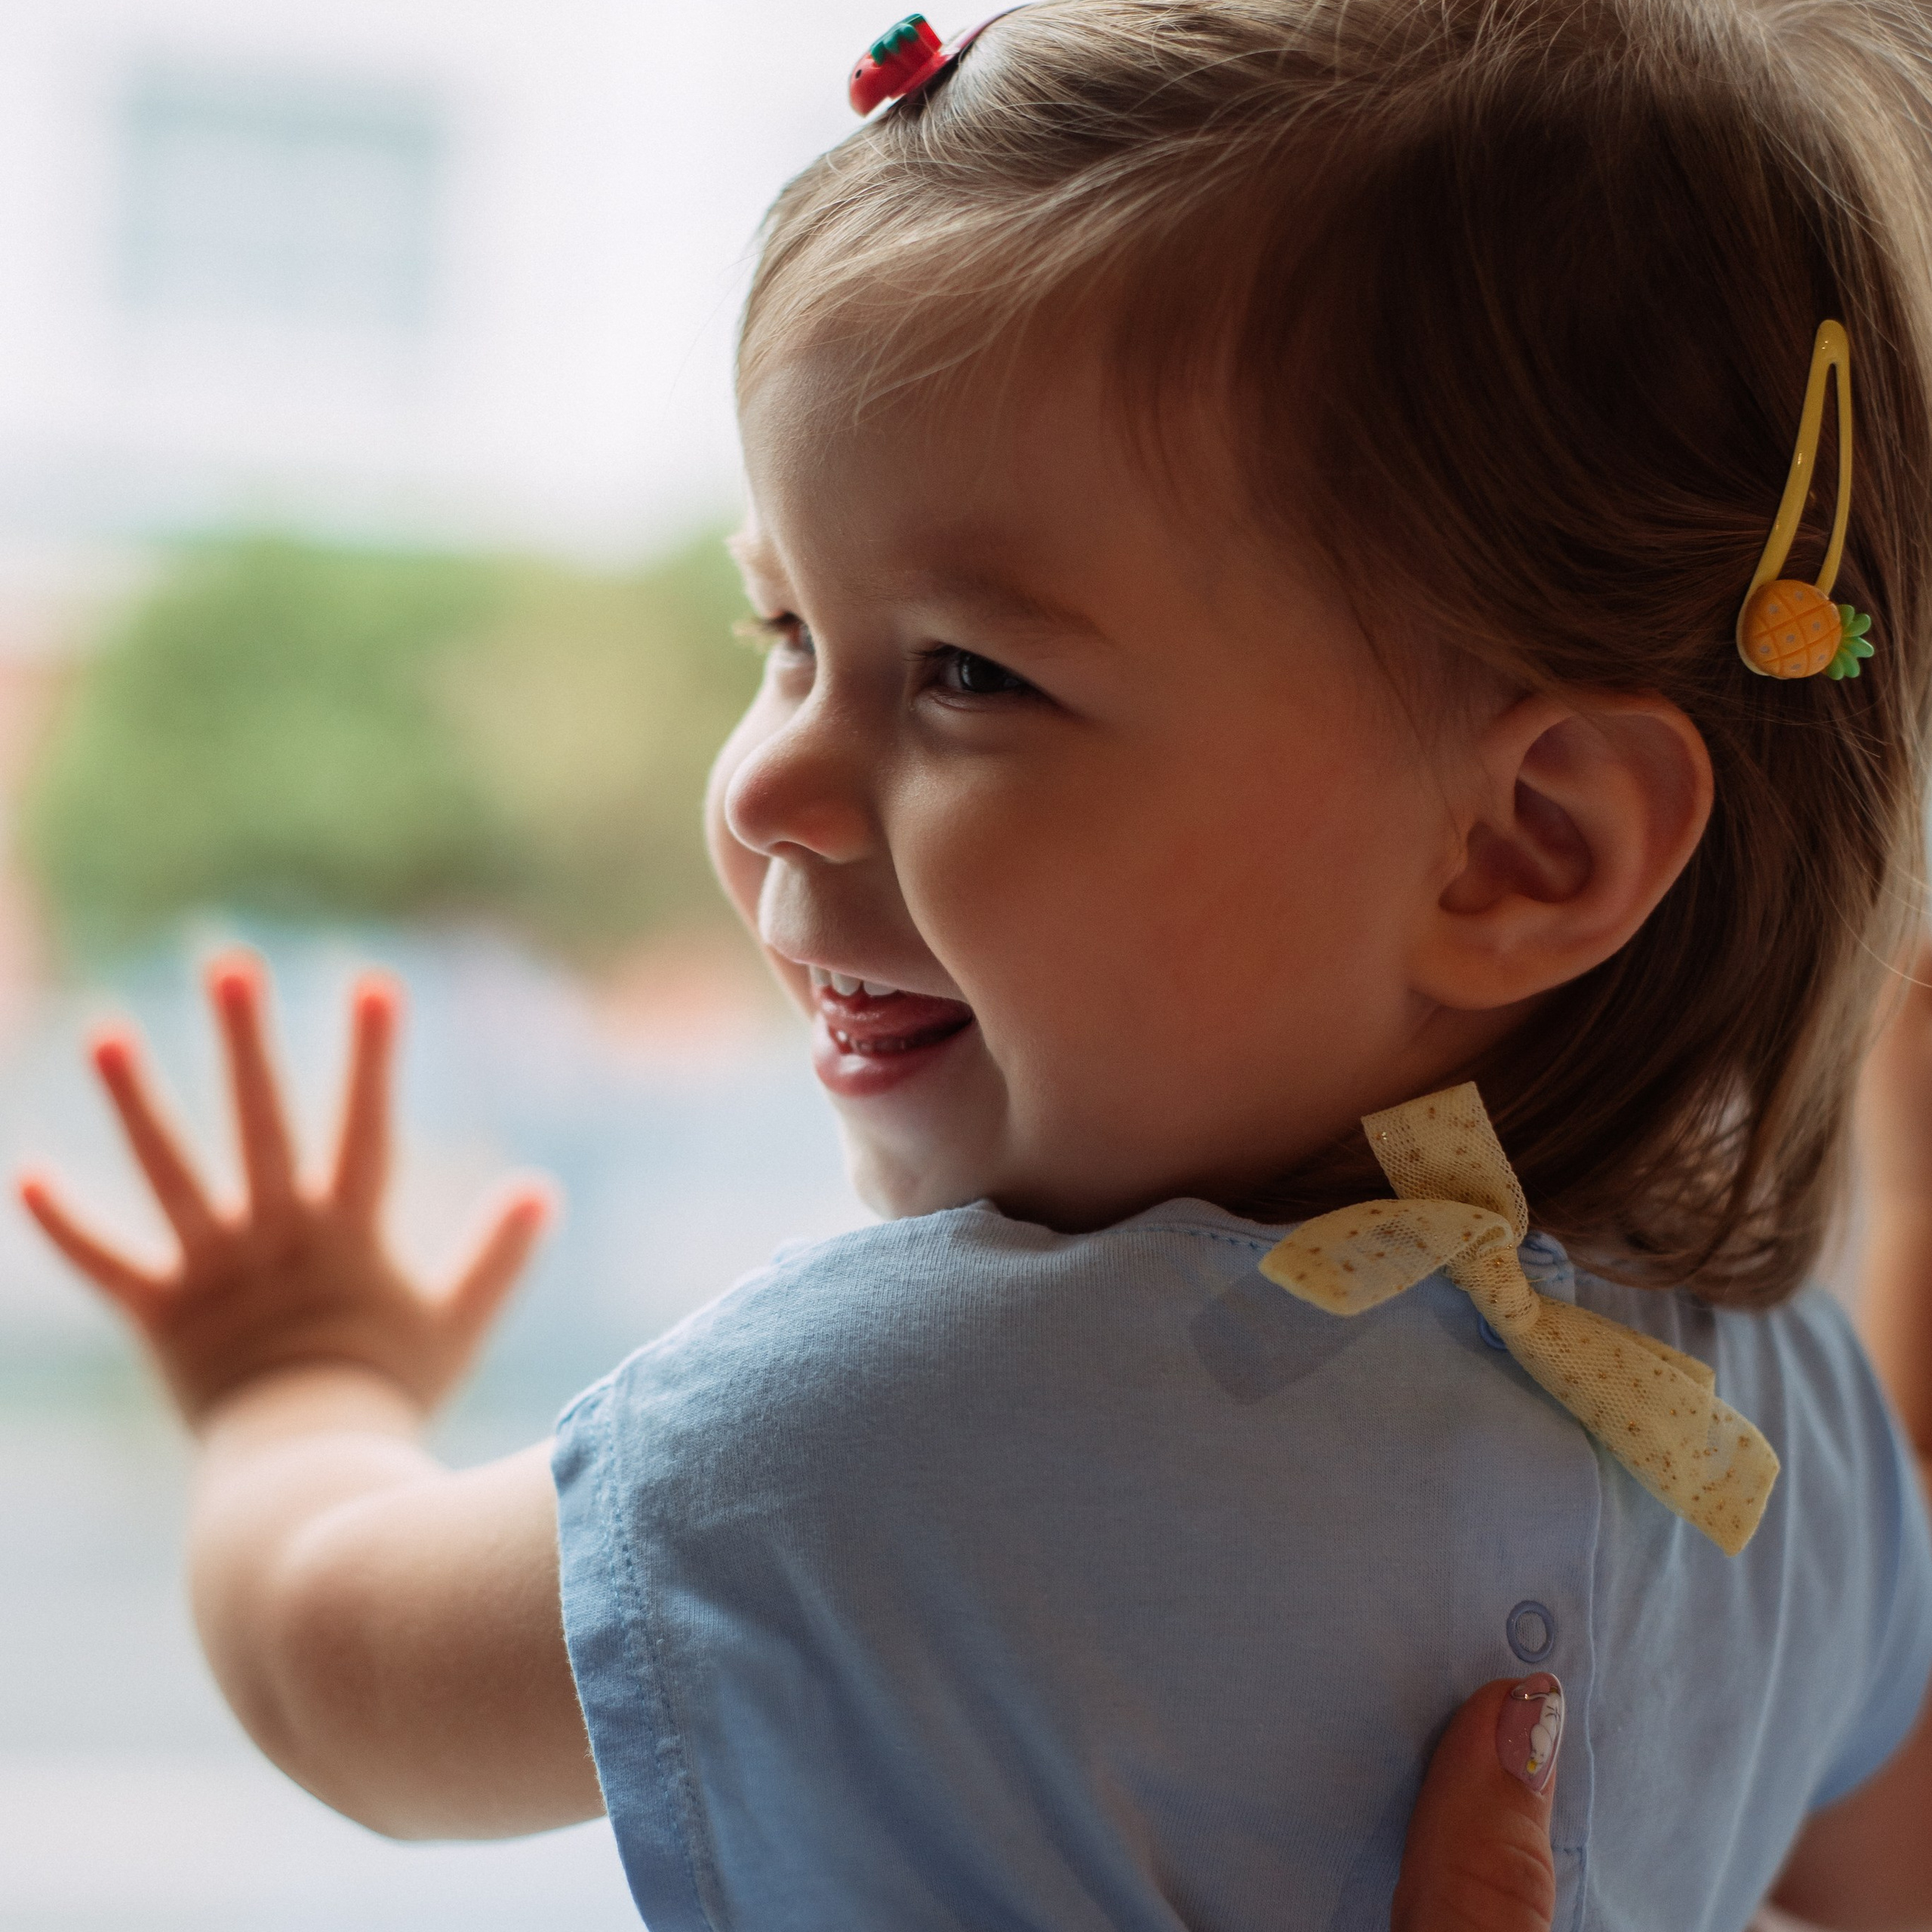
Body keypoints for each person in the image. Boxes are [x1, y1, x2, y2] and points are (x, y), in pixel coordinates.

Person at [21, 0, 1932, 1924]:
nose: (763, 786)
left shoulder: (892, 1440)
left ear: (1527, 845)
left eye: (966, 671)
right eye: (783, 631)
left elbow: (338, 1666)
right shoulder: (1766, 1411)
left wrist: (294, 1374)